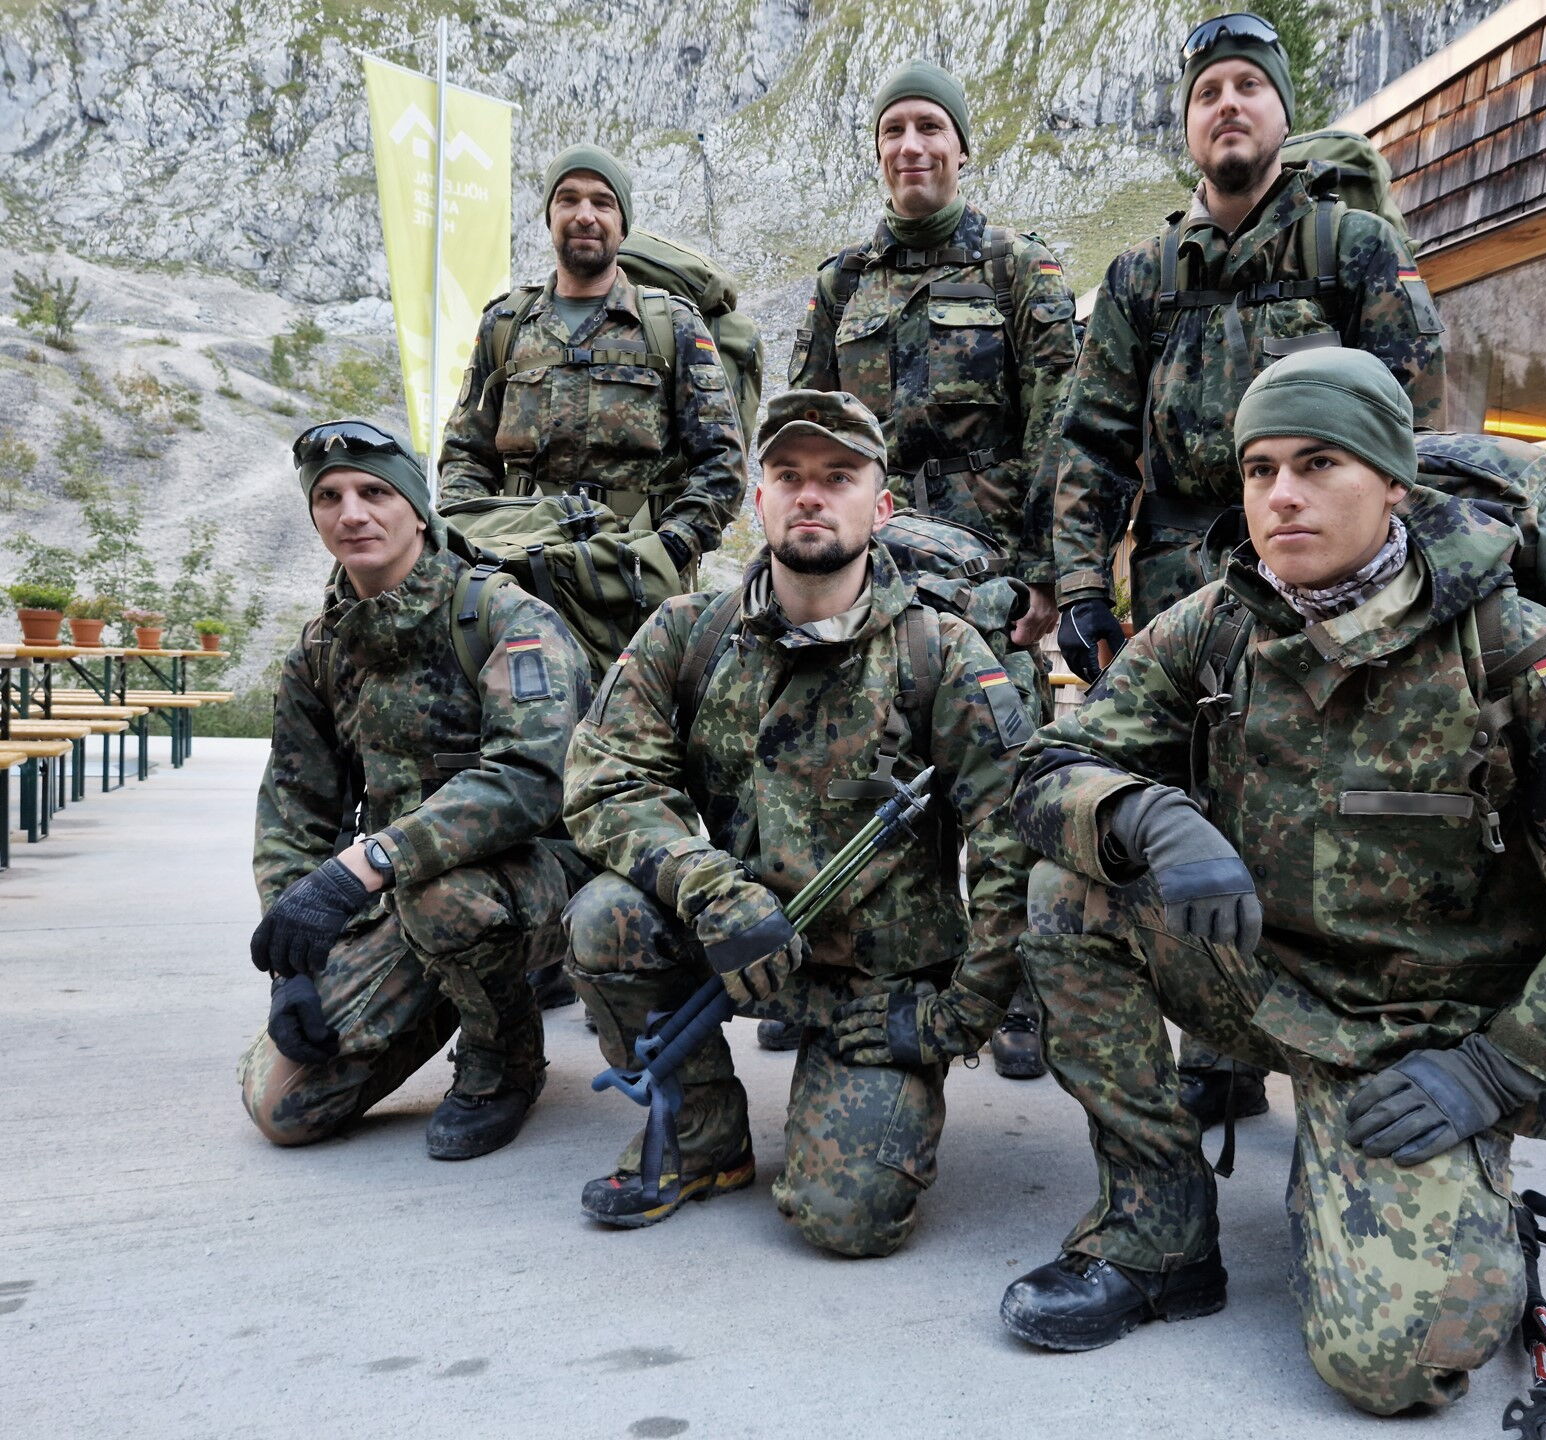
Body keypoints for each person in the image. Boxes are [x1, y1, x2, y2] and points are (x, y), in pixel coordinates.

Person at [999, 349, 1546, 1415]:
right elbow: (1048, 767)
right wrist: (1146, 815)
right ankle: (1156, 1234)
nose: (1281, 495)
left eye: (1318, 463)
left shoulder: (1523, 657)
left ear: (1393, 486)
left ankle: (1409, 1183)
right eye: (1260, 469)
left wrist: (1500, 1073)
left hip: (1418, 1040)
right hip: (1255, 972)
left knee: (1398, 1364)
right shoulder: (1217, 623)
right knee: (1072, 889)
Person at [1048, 12, 1448, 1119]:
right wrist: (1081, 584)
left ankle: (1344, 1032)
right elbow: (1091, 440)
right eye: (1207, 92)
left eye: (1248, 87)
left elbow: (1412, 417)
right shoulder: (1143, 276)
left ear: (1281, 110)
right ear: (1188, 125)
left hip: (1325, 578)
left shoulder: (1348, 249)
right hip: (1181, 580)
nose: (1228, 105)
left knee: (1313, 798)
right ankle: (1222, 1043)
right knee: (1189, 795)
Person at [561, 389, 1034, 1254]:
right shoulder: (687, 633)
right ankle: (701, 1134)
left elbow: (1015, 844)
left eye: (839, 476)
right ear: (760, 501)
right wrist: (711, 889)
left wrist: (958, 1015)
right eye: (789, 476)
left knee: (846, 1221)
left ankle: (855, 1101)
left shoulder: (941, 652)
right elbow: (606, 780)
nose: (811, 495)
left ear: (880, 508)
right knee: (606, 917)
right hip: (731, 942)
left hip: (875, 981)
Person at [786, 61, 1077, 1075]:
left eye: (929, 128)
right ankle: (843, 956)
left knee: (1002, 775)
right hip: (869, 578)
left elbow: (1059, 427)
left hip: (988, 577)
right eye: (893, 130)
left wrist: (1047, 573)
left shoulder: (1018, 270)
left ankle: (1019, 988)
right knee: (854, 765)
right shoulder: (842, 283)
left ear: (960, 146)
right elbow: (802, 436)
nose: (911, 145)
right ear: (879, 150)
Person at [240, 420, 593, 1160]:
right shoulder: (320, 649)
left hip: (539, 882)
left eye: (375, 493)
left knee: (446, 897)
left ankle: (505, 1057)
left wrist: (367, 864)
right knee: (286, 1107)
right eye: (329, 497)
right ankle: (450, 990)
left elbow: (532, 778)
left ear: (417, 507)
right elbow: (295, 813)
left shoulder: (504, 617)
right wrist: (291, 966)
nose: (352, 514)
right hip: (402, 893)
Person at [438, 142, 748, 587]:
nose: (585, 215)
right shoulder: (504, 325)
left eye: (602, 203)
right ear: (550, 217)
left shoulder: (672, 325)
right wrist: (472, 538)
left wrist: (671, 548)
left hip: (634, 576)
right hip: (517, 571)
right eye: (568, 199)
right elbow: (465, 454)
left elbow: (723, 462)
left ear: (622, 225)